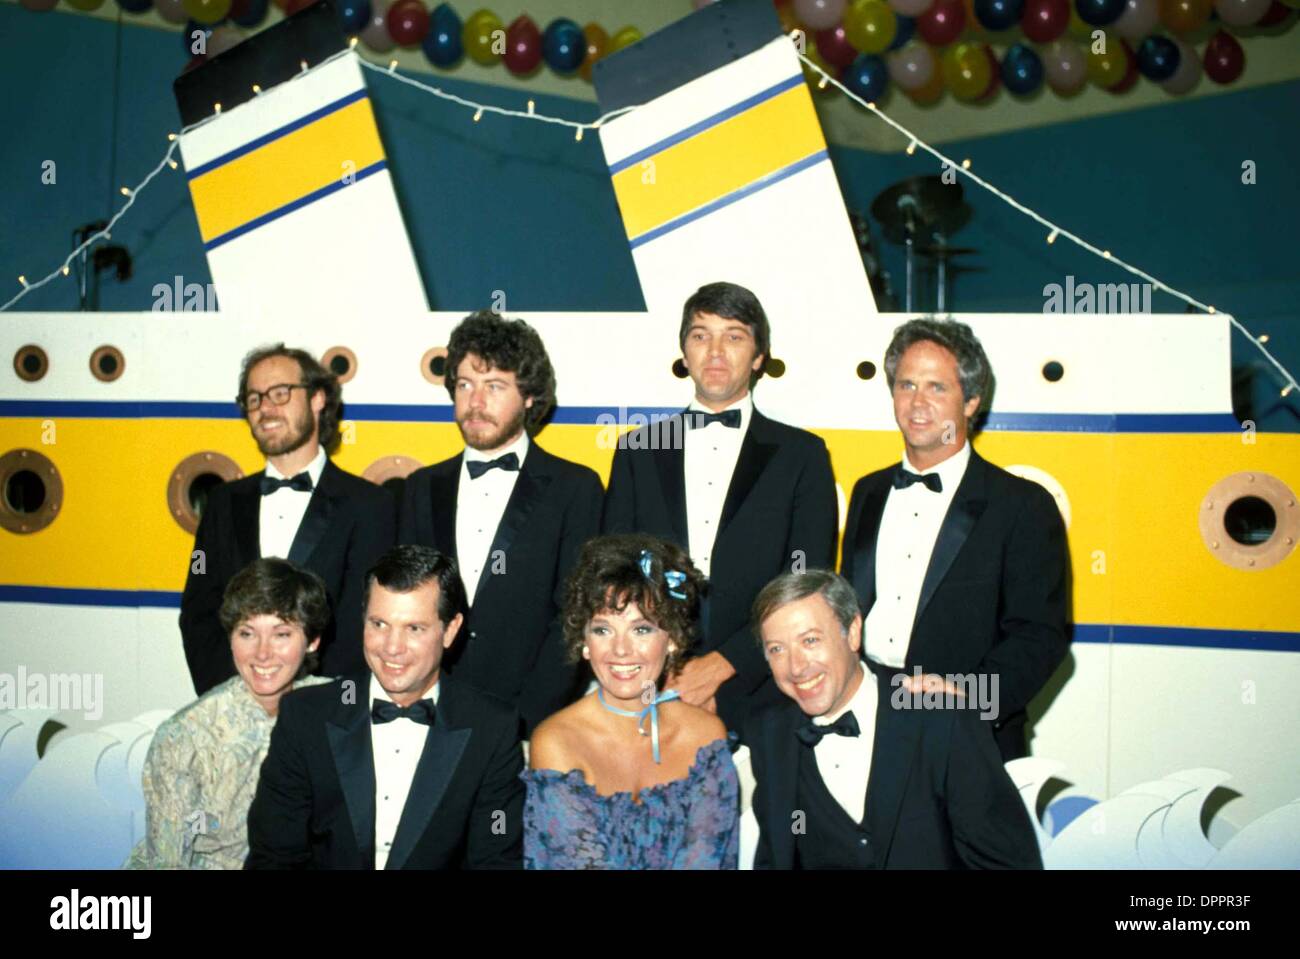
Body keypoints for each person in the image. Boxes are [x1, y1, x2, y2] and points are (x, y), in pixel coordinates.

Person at [602, 282, 838, 738]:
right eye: (700, 335)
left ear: (758, 357)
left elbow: (808, 584)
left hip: (766, 689)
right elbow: (617, 575)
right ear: (683, 353)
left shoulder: (801, 455)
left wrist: (724, 665)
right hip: (651, 685)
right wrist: (663, 666)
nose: (714, 351)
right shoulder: (638, 448)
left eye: (733, 336)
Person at [840, 318, 1070, 760]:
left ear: (972, 402)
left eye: (937, 387)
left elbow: (1040, 637)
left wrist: (969, 696)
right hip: (868, 725)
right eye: (906, 385)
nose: (917, 403)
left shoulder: (1022, 504)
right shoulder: (868, 492)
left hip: (967, 736)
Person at [245, 545, 524, 869]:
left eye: (414, 628)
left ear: (450, 630)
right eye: (379, 624)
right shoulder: (305, 716)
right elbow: (273, 857)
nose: (392, 648)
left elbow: (496, 862)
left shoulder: (491, 729)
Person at [746, 570, 1043, 869]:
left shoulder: (940, 716)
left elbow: (1007, 864)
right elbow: (774, 859)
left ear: (852, 632)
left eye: (810, 640)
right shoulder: (769, 734)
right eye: (777, 649)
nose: (796, 667)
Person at [398, 312, 603, 735]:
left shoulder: (575, 488)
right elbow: (405, 609)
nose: (475, 402)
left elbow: (575, 615)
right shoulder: (421, 488)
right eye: (464, 385)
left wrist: (524, 721)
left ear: (529, 396)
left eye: (494, 387)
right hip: (431, 717)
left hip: (532, 721)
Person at [180, 344, 396, 695]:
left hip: (326, 711)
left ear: (317, 399)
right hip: (236, 708)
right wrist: (237, 695)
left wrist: (312, 703)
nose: (266, 407)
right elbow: (198, 610)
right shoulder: (221, 505)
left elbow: (368, 620)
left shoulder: (370, 505)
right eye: (254, 399)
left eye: (280, 394)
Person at [524, 534, 739, 869]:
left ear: (672, 640)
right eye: (603, 630)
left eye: (641, 630)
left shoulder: (705, 737)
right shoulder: (557, 741)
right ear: (584, 643)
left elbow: (706, 861)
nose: (620, 650)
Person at [126, 558, 332, 869]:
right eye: (247, 633)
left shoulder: (336, 710)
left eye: (281, 634)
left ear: (313, 641)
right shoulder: (184, 738)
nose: (262, 653)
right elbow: (167, 863)